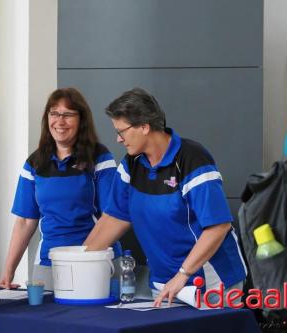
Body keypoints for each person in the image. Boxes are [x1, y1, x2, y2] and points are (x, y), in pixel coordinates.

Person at [84, 88, 247, 306]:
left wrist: (183, 275)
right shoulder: (132, 163)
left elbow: (218, 226)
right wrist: (80, 261)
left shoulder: (192, 159)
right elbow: (115, 217)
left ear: (144, 126)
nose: (118, 139)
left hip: (210, 282)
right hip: (164, 284)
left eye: (121, 131)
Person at [0, 87, 121, 290]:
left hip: (95, 261)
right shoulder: (35, 163)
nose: (60, 121)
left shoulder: (100, 157)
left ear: (81, 120)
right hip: (49, 263)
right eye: (54, 113)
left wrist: (83, 257)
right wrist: (8, 272)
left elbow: (111, 216)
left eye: (67, 114)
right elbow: (25, 222)